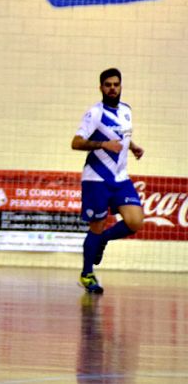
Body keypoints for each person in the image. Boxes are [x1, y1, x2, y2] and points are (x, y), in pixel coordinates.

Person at [72, 68, 144, 294]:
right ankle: (87, 274)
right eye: (108, 85)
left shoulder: (126, 110)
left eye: (116, 84)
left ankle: (103, 240)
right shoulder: (95, 113)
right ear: (101, 87)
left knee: (135, 222)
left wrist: (133, 147)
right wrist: (102, 144)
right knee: (96, 226)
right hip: (97, 179)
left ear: (121, 86)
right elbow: (75, 142)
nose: (112, 88)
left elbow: (123, 135)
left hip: (120, 178)